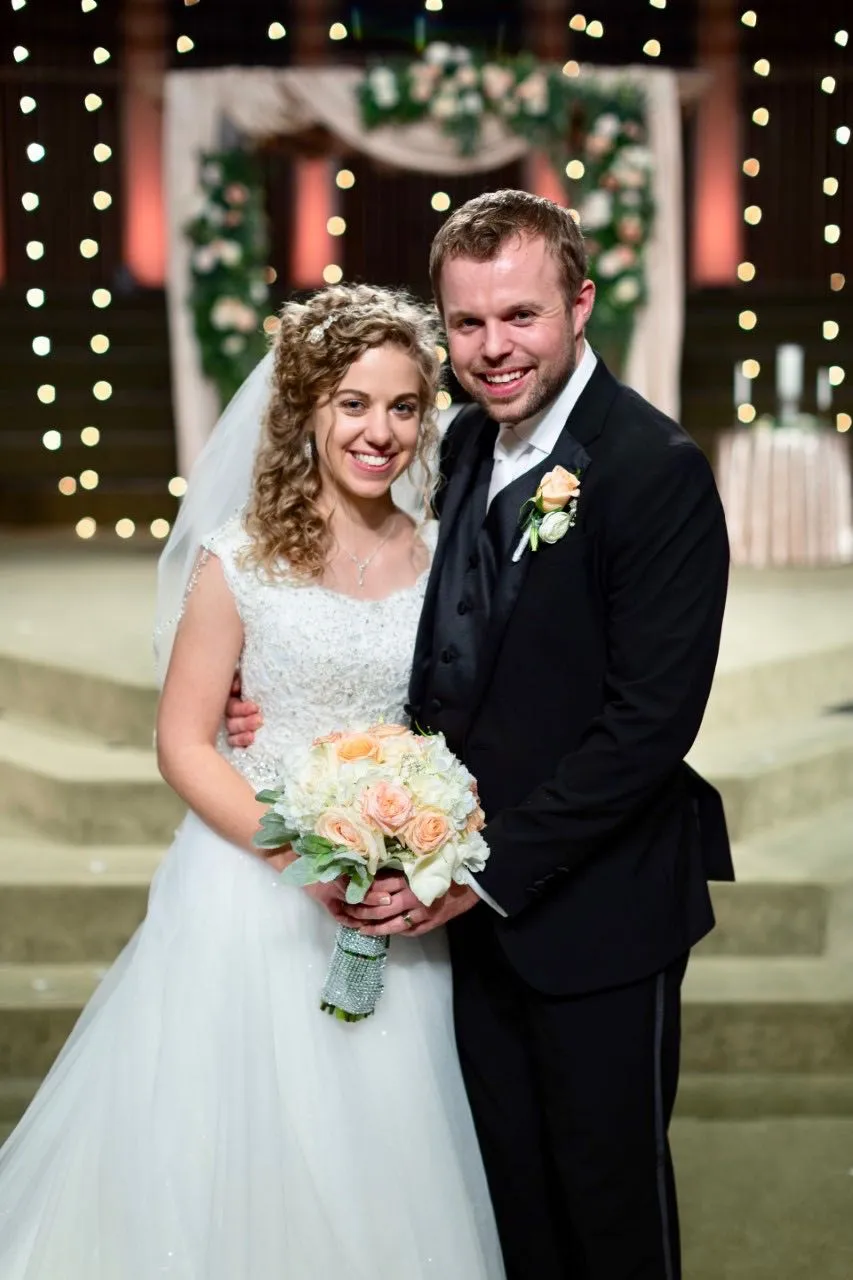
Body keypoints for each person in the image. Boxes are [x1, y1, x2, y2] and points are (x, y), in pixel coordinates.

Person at [227, 189, 735, 1280]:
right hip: (461, 919)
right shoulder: (457, 444)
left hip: (594, 912)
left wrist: (481, 872)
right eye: (467, 322)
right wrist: (263, 688)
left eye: (520, 315)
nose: (492, 347)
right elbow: (425, 632)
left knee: (606, 1207)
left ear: (579, 306)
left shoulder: (653, 469)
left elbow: (647, 725)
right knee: (507, 1206)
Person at [0, 284, 505, 1280]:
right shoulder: (240, 560)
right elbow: (184, 742)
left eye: (403, 406)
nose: (379, 432)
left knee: (382, 1148)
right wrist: (304, 854)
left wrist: (423, 831)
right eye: (352, 403)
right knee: (232, 1144)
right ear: (307, 407)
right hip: (251, 887)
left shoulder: (444, 557)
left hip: (389, 889)